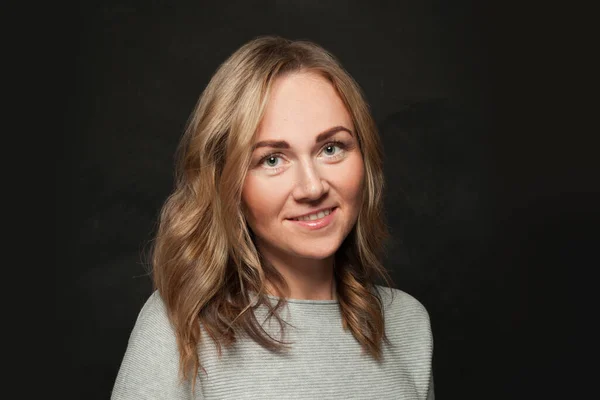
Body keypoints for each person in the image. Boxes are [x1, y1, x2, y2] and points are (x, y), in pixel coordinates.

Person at [111, 35, 434, 399]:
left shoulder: (408, 323)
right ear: (228, 182)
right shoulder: (179, 325)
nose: (311, 188)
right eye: (272, 159)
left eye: (331, 148)